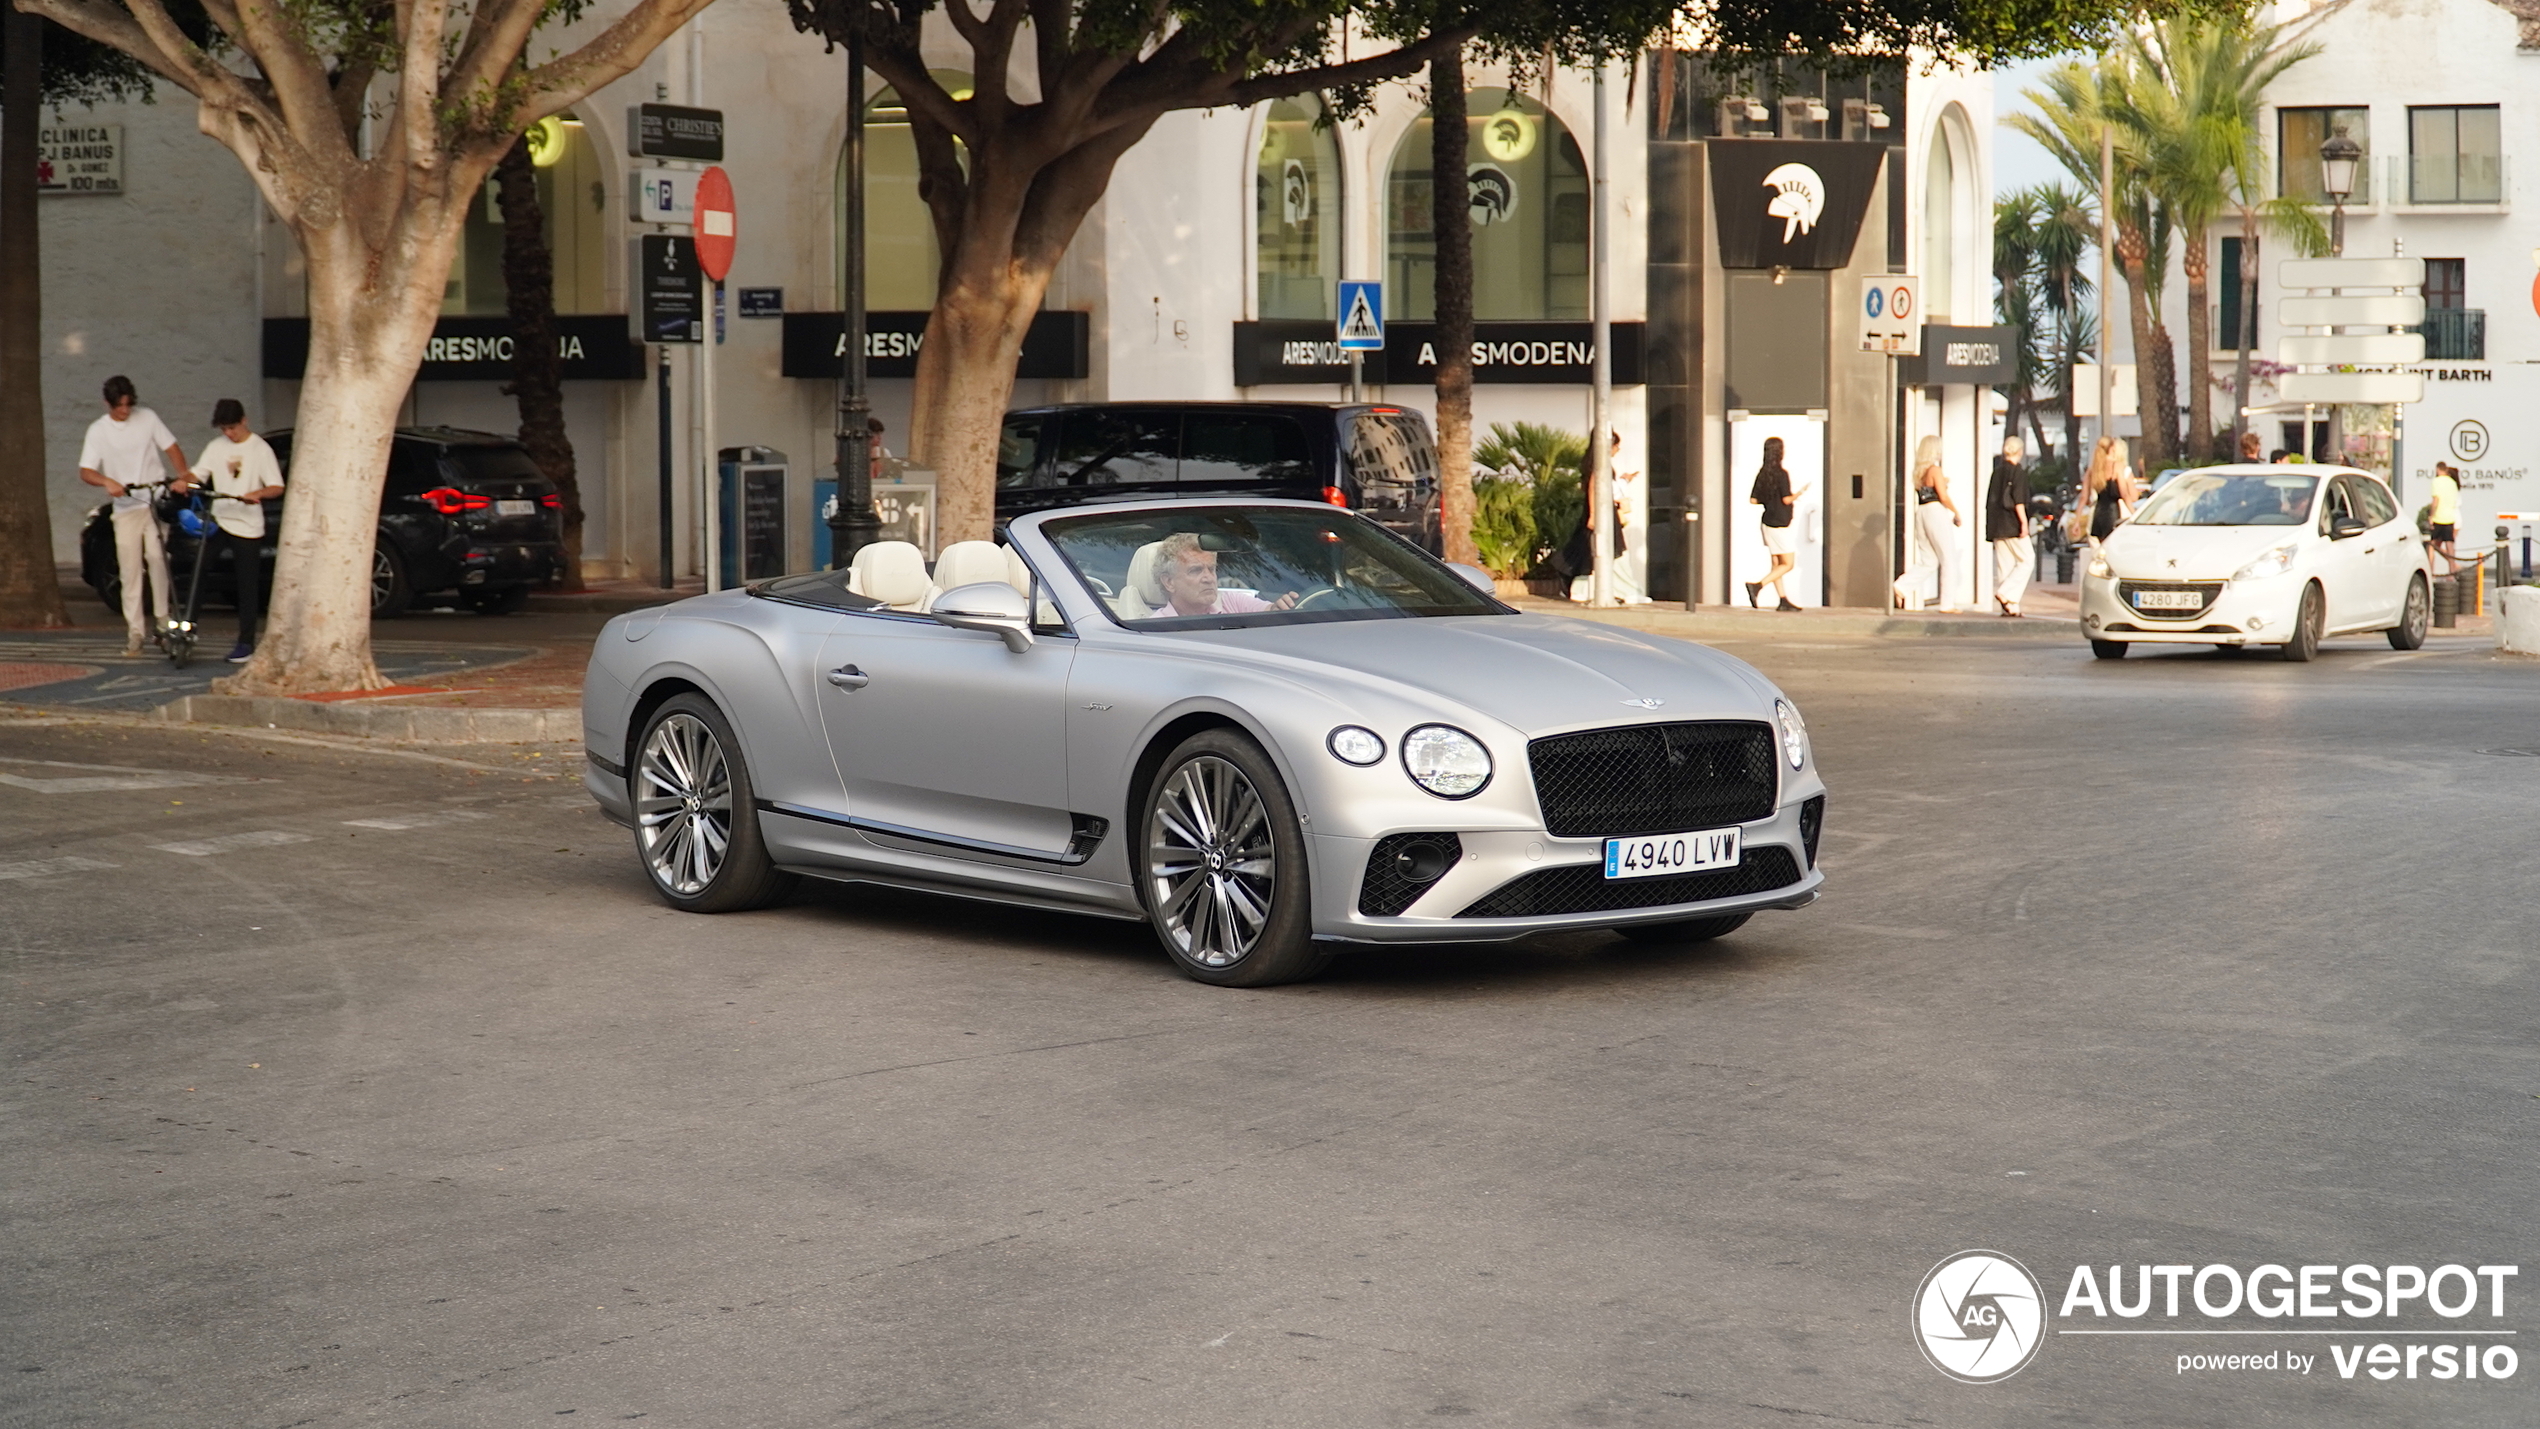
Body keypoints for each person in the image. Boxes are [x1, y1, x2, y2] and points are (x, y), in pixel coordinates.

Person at [77, 375, 192, 657]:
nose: (126, 411)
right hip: (126, 507)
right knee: (129, 570)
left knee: (156, 558)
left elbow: (171, 448)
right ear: (108, 404)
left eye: (129, 405)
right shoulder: (98, 431)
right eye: (120, 407)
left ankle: (164, 622)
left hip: (151, 501)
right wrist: (107, 482)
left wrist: (183, 477)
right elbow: (86, 471)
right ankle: (135, 632)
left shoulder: (148, 418)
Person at [173, 399, 286, 663]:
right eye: (224, 429)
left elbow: (276, 486)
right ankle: (187, 630)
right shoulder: (215, 447)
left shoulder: (260, 449)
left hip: (247, 525)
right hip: (220, 520)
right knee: (199, 572)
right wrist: (182, 481)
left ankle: (246, 643)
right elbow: (198, 474)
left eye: (232, 428)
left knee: (246, 586)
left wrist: (257, 493)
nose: (228, 434)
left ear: (244, 421)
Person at [1141, 532, 1300, 618]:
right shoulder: (1157, 627)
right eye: (1196, 570)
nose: (1208, 578)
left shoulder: (1232, 602)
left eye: (1211, 569)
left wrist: (1279, 609)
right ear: (1169, 582)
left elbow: (1269, 613)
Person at [1890, 434, 1962, 611]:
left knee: (1928, 560)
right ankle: (1947, 604)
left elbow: (1927, 492)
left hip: (1921, 512)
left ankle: (1902, 586)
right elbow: (1943, 496)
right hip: (1935, 512)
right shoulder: (1935, 470)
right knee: (1948, 558)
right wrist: (1956, 512)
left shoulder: (1919, 472)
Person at [1743, 436, 1809, 611]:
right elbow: (1786, 500)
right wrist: (1799, 493)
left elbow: (1753, 500)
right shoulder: (1782, 474)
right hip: (1780, 523)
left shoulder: (1762, 474)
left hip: (1767, 522)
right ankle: (1757, 586)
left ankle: (1783, 600)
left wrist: (1769, 500)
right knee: (1788, 564)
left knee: (1776, 563)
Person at [1985, 436, 2033, 617]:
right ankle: (2006, 593)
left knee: (2004, 565)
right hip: (2011, 522)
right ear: (2019, 451)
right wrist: (2024, 523)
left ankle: (2011, 606)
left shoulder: (1996, 472)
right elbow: (2018, 500)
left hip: (1996, 522)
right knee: (2027, 559)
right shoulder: (2018, 472)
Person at [2085, 436, 2137, 547]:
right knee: (2112, 546)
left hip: (2098, 512)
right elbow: (2125, 495)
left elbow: (2085, 497)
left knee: (2102, 548)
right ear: (2112, 448)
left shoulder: (2094, 468)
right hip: (2112, 512)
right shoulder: (2117, 467)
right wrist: (2135, 515)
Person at [2428, 461, 2461, 568]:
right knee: (2449, 545)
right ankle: (2452, 571)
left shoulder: (2436, 481)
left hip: (2438, 517)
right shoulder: (2452, 483)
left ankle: (2431, 572)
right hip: (2450, 517)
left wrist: (2431, 516)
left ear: (2438, 470)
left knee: (2432, 546)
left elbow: (2436, 500)